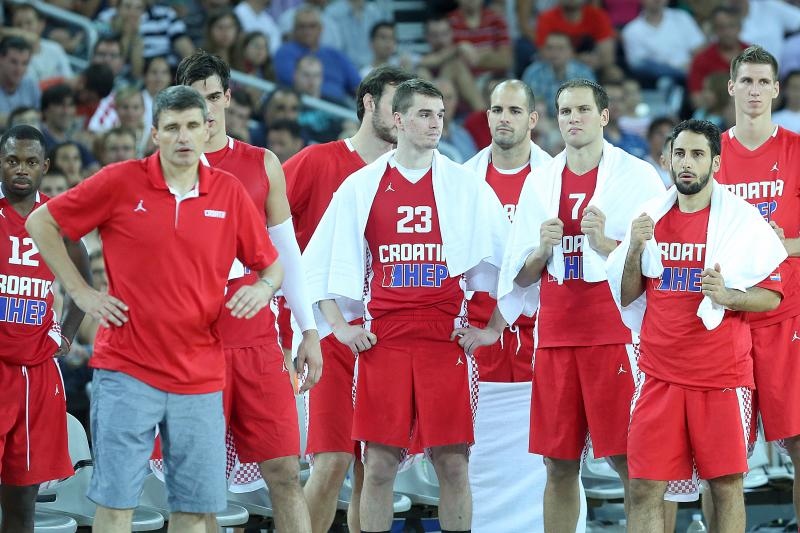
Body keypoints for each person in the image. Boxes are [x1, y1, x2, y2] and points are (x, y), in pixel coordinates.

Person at [25, 85, 283, 533]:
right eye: (172, 127)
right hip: (127, 370)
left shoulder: (229, 192)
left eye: (191, 126)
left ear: (206, 129)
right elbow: (41, 222)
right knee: (116, 505)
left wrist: (263, 288)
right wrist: (81, 292)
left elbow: (272, 266)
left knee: (194, 510)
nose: (183, 137)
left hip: (199, 375)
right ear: (154, 133)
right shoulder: (120, 181)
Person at [303, 78, 510, 533]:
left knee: (453, 464)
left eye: (440, 115)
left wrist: (494, 327)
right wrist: (341, 327)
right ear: (397, 120)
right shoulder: (361, 185)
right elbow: (315, 265)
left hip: (444, 337)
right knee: (378, 465)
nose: (436, 124)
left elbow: (510, 264)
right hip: (385, 340)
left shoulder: (465, 185)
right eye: (424, 114)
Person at [494, 79, 664, 531]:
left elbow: (658, 265)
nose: (574, 119)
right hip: (555, 333)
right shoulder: (540, 181)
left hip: (613, 331)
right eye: (566, 111)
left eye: (583, 109)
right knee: (557, 463)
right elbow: (519, 276)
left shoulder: (637, 176)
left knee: (631, 462)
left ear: (604, 116)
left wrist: (605, 243)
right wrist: (539, 251)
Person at [610, 119, 786, 532]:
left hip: (719, 376)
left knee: (724, 487)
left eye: (697, 154)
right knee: (644, 487)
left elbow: (772, 296)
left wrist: (727, 297)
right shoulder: (650, 218)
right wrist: (634, 247)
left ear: (716, 162)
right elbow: (628, 295)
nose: (686, 163)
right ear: (667, 159)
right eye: (680, 154)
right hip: (658, 375)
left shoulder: (742, 221)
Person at [175, 50, 321, 533]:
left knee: (285, 471)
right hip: (194, 342)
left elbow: (288, 255)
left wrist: (309, 330)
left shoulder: (262, 163)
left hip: (258, 340)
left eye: (214, 96)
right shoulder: (161, 170)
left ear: (229, 97)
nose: (207, 108)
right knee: (199, 484)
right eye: (196, 99)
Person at [284, 65, 413, 533]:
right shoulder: (316, 161)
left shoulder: (412, 175)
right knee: (332, 459)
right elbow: (261, 226)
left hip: (384, 334)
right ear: (369, 103)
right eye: (395, 105)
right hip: (324, 332)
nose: (402, 116)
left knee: (373, 466)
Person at [714, 45, 800, 523]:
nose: (754, 90)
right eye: (745, 80)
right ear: (731, 86)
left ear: (776, 89)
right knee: (721, 460)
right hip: (726, 319)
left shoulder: (796, 150)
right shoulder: (711, 154)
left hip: (786, 314)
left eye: (763, 81)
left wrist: (780, 245)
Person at [0, 125, 89, 533]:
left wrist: (66, 334)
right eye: (12, 160)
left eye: (31, 162)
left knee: (23, 501)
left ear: (45, 166)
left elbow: (83, 283)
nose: (22, 169)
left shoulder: (58, 219)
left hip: (36, 374)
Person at [461, 79, 552, 382]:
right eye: (498, 110)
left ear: (532, 119)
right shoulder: (462, 180)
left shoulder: (555, 178)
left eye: (515, 111)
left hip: (540, 330)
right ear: (487, 116)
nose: (504, 118)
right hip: (477, 330)